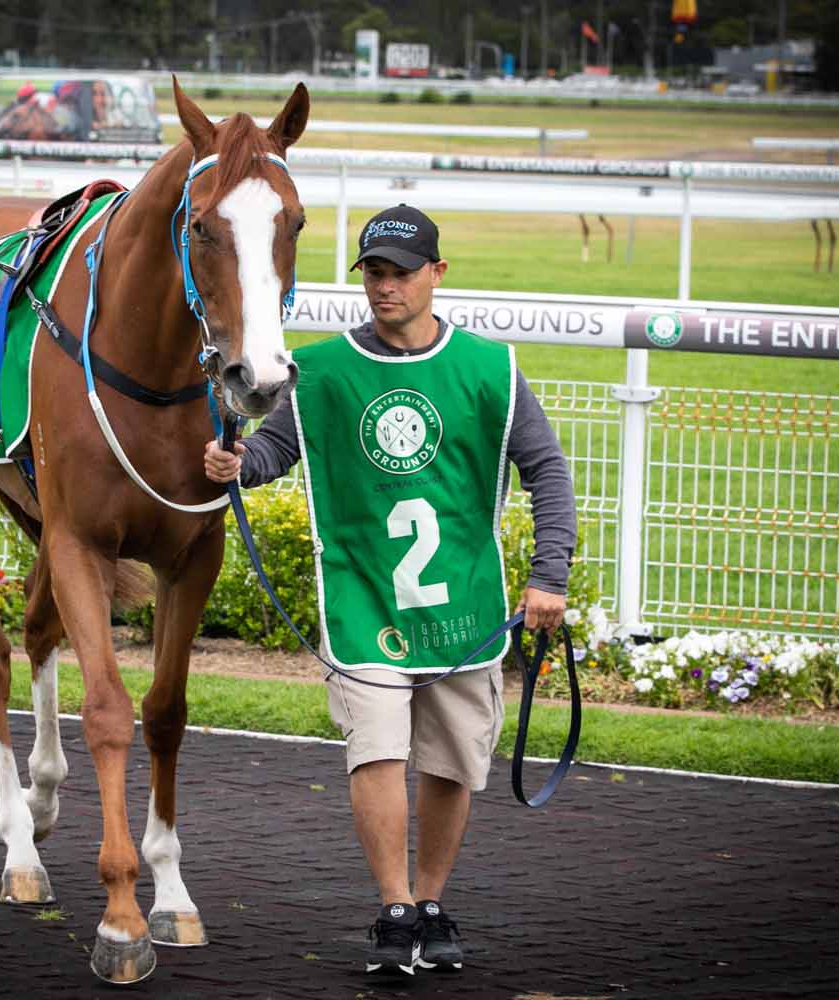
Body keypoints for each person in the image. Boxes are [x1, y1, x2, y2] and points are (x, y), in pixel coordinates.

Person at [204, 205, 576, 977]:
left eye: (400, 272)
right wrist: (239, 467)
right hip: (363, 601)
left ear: (437, 273)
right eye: (373, 272)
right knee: (375, 749)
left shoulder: (490, 369)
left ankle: (433, 902)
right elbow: (276, 448)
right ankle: (395, 910)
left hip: (463, 607)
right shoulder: (325, 370)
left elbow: (546, 470)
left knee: (449, 763)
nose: (384, 286)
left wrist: (549, 577)